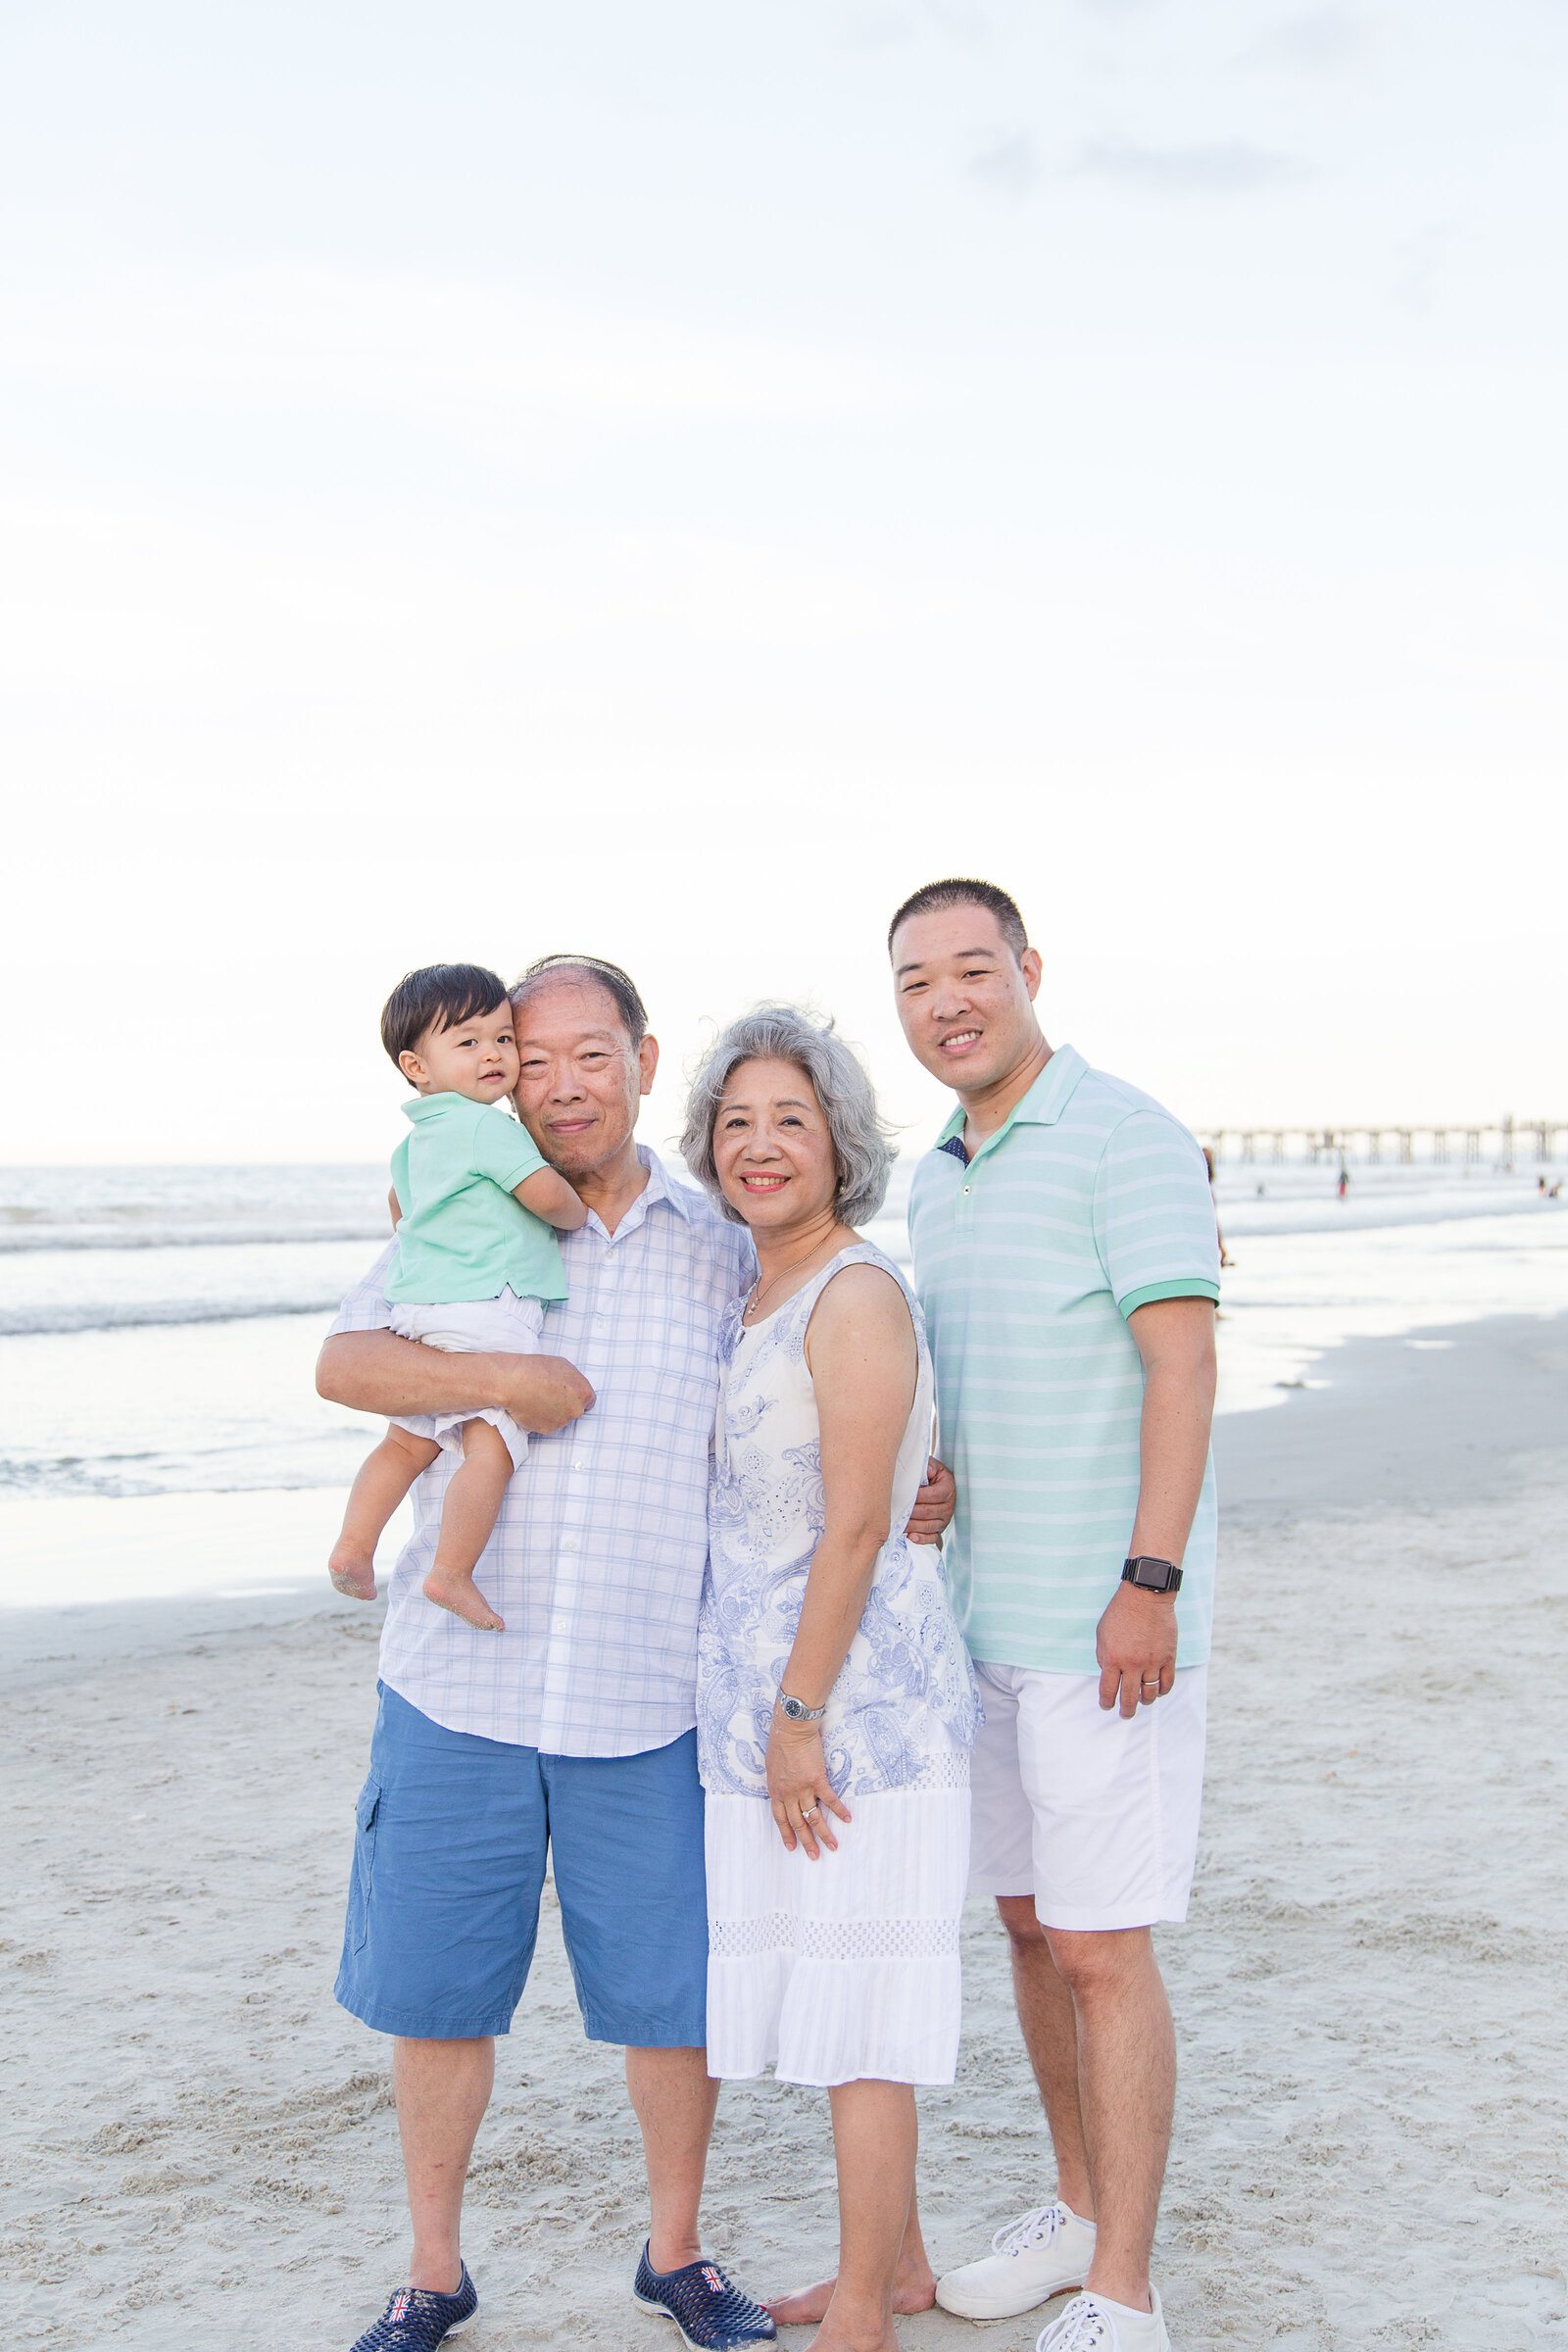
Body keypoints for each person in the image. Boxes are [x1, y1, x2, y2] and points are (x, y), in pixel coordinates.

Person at [316, 955, 957, 2352]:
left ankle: (676, 2253)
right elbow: (347, 1365)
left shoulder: (722, 1241)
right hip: (454, 1683)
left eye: (587, 1056)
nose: (556, 1084)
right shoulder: (463, 1205)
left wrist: (924, 1475)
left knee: (671, 2003)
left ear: (643, 1062)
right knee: (437, 1990)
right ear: (495, 1068)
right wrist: (499, 1378)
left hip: (645, 1695)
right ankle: (433, 2270)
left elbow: (826, 1369)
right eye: (528, 1058)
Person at [890, 879, 1220, 2352]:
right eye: (915, 981)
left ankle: (1126, 2292)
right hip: (983, 1625)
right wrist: (939, 1478)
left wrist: (1149, 1584)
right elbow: (985, 1371)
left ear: (1029, 969)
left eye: (972, 969)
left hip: (1108, 1629)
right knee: (1028, 1930)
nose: (947, 1000)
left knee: (1103, 1947)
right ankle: (1077, 2210)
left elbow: (1182, 1369)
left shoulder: (1124, 1135)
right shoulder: (933, 1174)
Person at [679, 1008, 979, 2352]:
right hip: (767, 1707)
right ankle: (900, 2262)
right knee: (832, 1987)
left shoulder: (852, 1292)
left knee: (863, 2018)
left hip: (859, 1714)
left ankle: (865, 2311)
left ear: (841, 1144)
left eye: (789, 1119)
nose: (758, 1145)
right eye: (736, 1120)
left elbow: (860, 1523)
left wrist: (798, 1715)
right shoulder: (752, 1286)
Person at [327, 963, 588, 1633]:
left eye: (503, 1039)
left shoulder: (412, 1146)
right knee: (491, 1442)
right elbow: (547, 1198)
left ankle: (354, 1548)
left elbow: (401, 1214)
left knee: (405, 1442)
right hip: (484, 1306)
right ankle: (452, 1571)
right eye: (468, 1043)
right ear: (416, 1065)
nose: (494, 1055)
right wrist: (573, 1210)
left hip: (420, 1309)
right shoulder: (488, 1127)